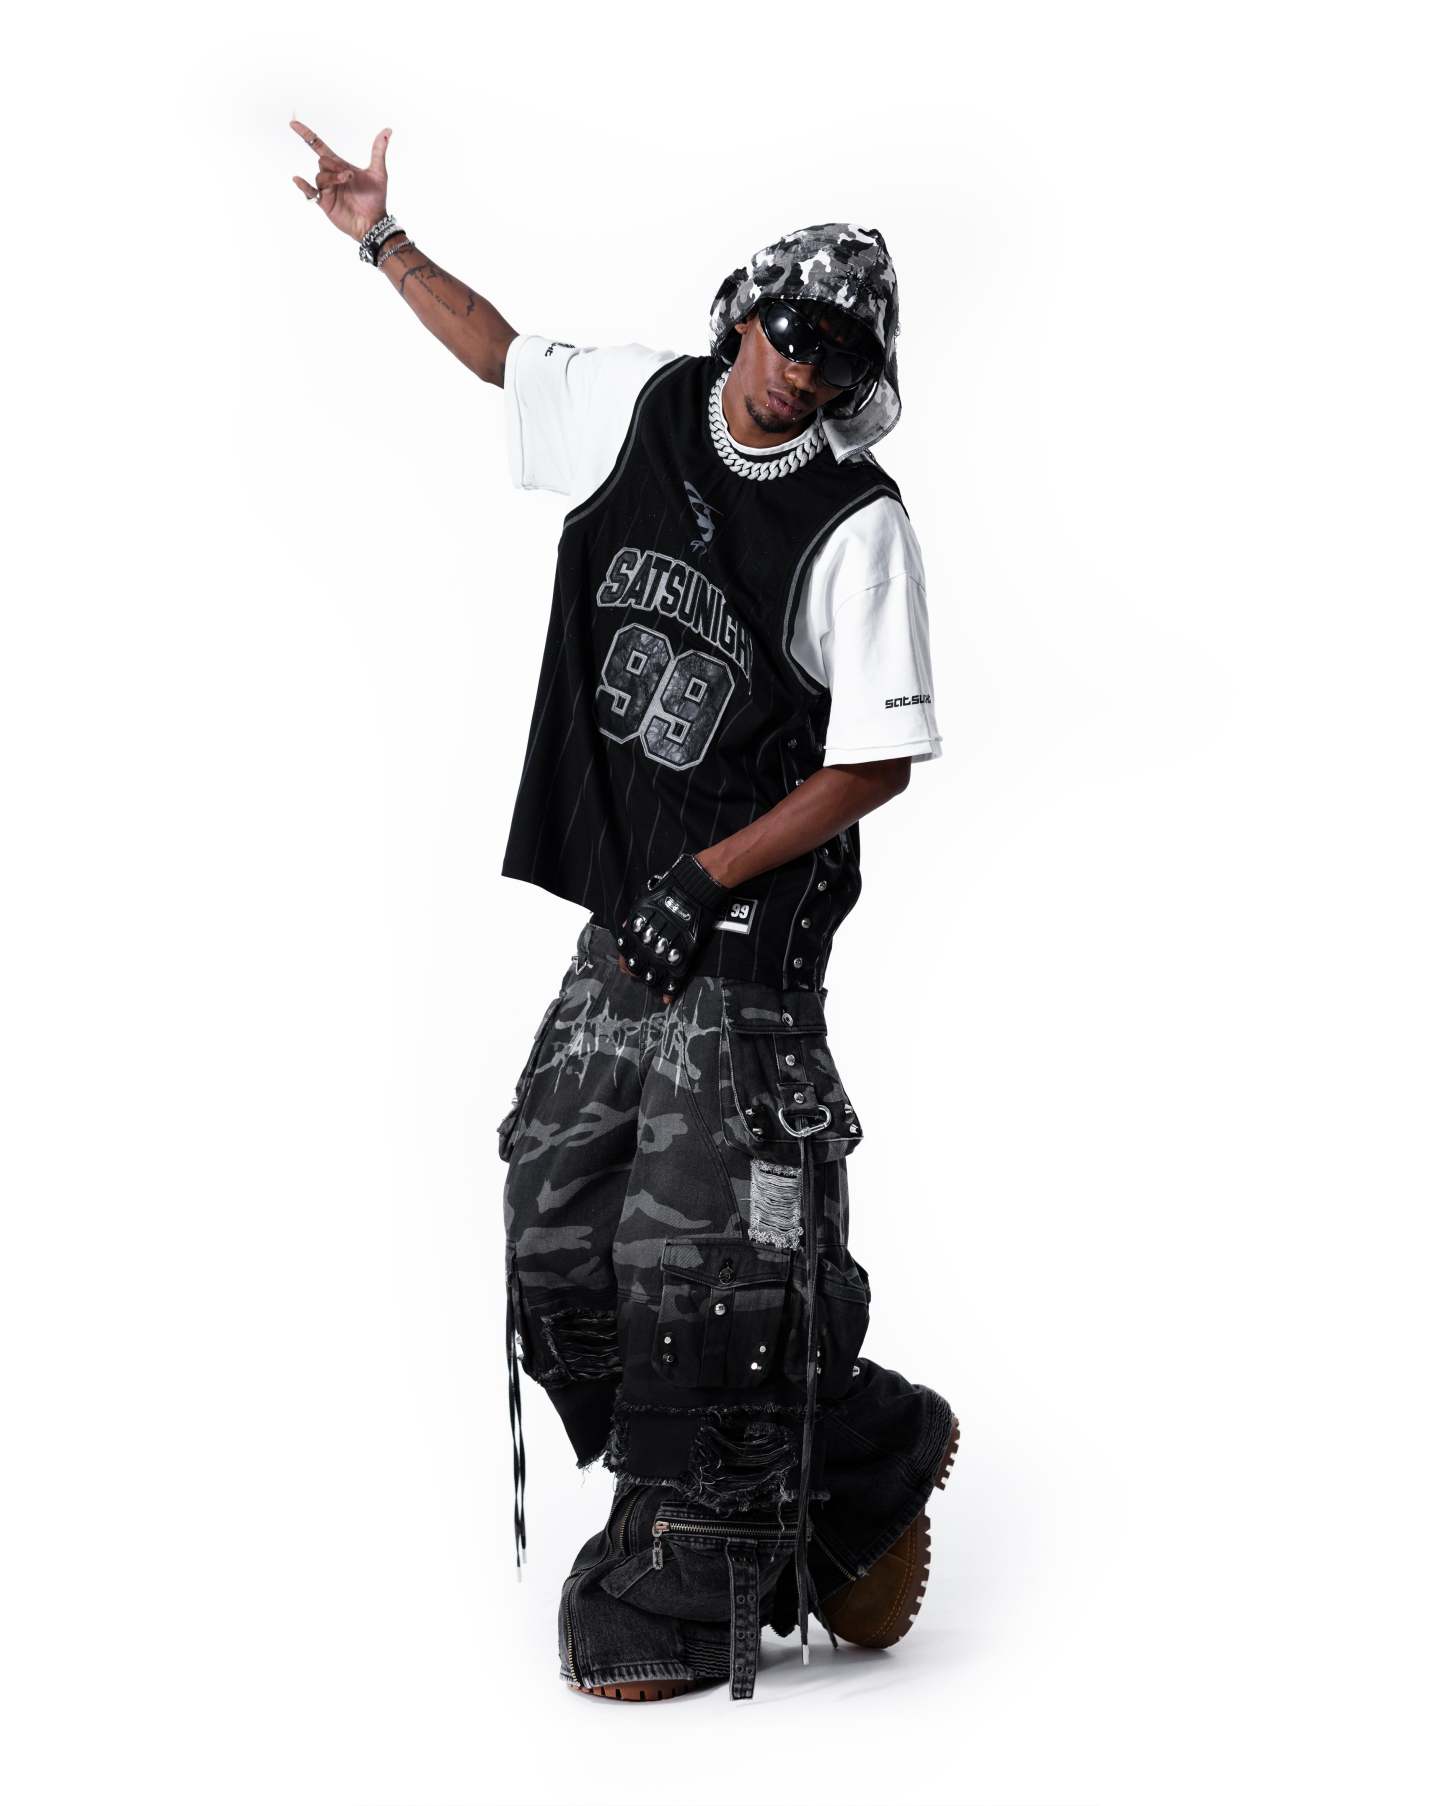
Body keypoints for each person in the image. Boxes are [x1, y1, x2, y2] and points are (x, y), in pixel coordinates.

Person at [291, 119, 960, 1703]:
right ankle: (847, 1455)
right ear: (744, 313)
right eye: (789, 330)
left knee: (699, 1257)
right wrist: (380, 240)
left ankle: (702, 1550)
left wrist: (709, 873)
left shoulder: (857, 523)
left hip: (740, 937)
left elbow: (874, 760)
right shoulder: (644, 408)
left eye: (836, 354)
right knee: (552, 1209)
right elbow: (500, 354)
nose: (800, 369)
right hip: (628, 920)